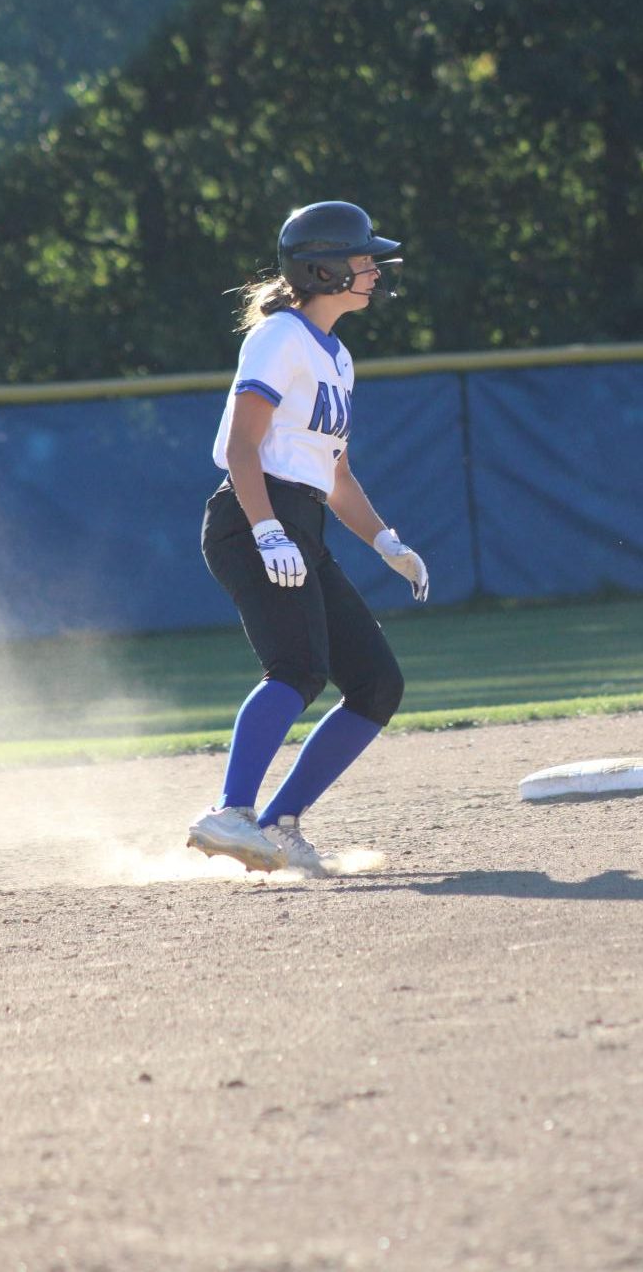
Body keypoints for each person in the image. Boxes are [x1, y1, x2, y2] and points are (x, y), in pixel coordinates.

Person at [186, 200, 430, 875]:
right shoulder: (277, 337)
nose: (374, 269)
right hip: (250, 514)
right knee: (297, 668)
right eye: (361, 258)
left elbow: (336, 473)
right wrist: (266, 530)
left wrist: (385, 541)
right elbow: (242, 447)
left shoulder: (337, 356)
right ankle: (230, 812)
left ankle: (279, 822)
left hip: (298, 522)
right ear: (321, 269)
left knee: (376, 684)